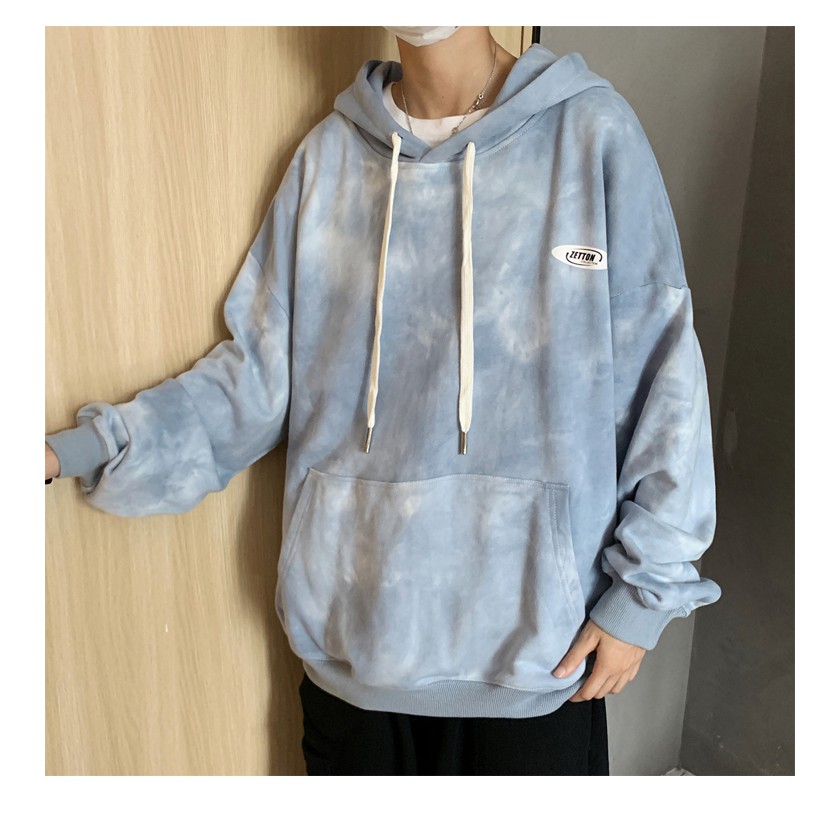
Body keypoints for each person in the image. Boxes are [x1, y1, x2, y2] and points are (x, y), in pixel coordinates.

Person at [45, 26, 722, 775]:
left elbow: (664, 379)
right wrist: (80, 449)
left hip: (538, 665)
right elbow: (253, 381)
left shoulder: (591, 133)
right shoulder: (328, 159)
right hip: (354, 655)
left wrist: (641, 597)